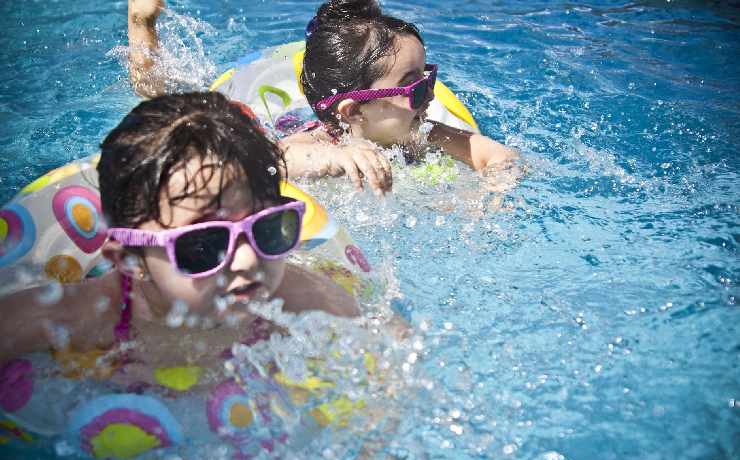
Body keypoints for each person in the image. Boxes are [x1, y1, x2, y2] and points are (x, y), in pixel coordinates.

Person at [0, 92, 359, 380]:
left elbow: (389, 349)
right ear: (129, 258)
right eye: (204, 244)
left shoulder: (298, 298)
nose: (248, 260)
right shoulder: (81, 317)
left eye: (267, 228)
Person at [126, 0, 519, 196]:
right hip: (280, 119)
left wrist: (490, 196)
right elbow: (268, 165)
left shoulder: (424, 133)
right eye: (415, 88)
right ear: (353, 110)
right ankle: (141, 23)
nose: (428, 97)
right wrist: (333, 158)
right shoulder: (318, 140)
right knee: (166, 103)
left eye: (428, 80)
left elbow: (496, 156)